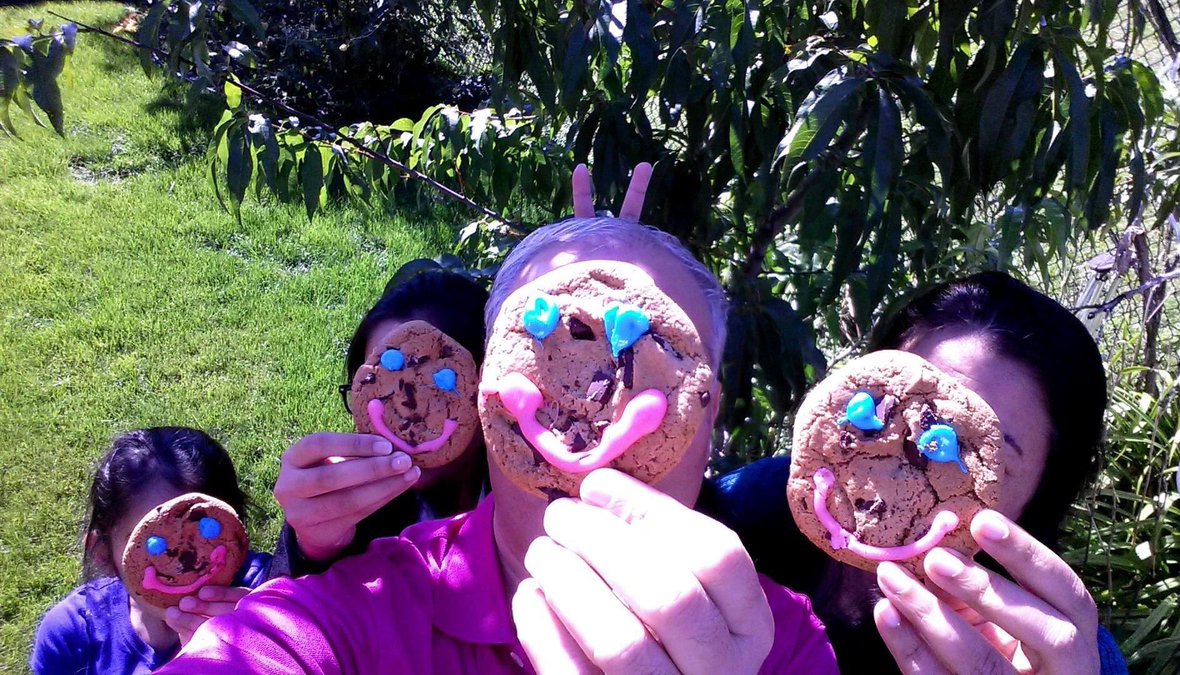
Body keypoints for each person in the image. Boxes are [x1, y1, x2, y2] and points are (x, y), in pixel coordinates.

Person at [158, 207, 839, 673]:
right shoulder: (361, 609)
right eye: (547, 345)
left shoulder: (779, 646)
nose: (594, 401)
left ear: (709, 414)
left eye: (658, 355)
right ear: (485, 397)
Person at [701, 271, 1127, 674]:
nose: (906, 469)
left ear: (1039, 498)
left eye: (972, 455)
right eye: (887, 413)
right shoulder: (748, 508)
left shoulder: (1057, 656)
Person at [268, 268, 490, 577]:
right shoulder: (354, 504)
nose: (405, 405)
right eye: (379, 385)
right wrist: (313, 545)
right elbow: (295, 595)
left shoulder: (530, 504)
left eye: (437, 384)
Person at [29, 427, 272, 675]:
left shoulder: (270, 604)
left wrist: (262, 653)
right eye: (154, 545)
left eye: (206, 531)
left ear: (235, 533)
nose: (184, 560)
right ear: (102, 552)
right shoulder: (72, 636)